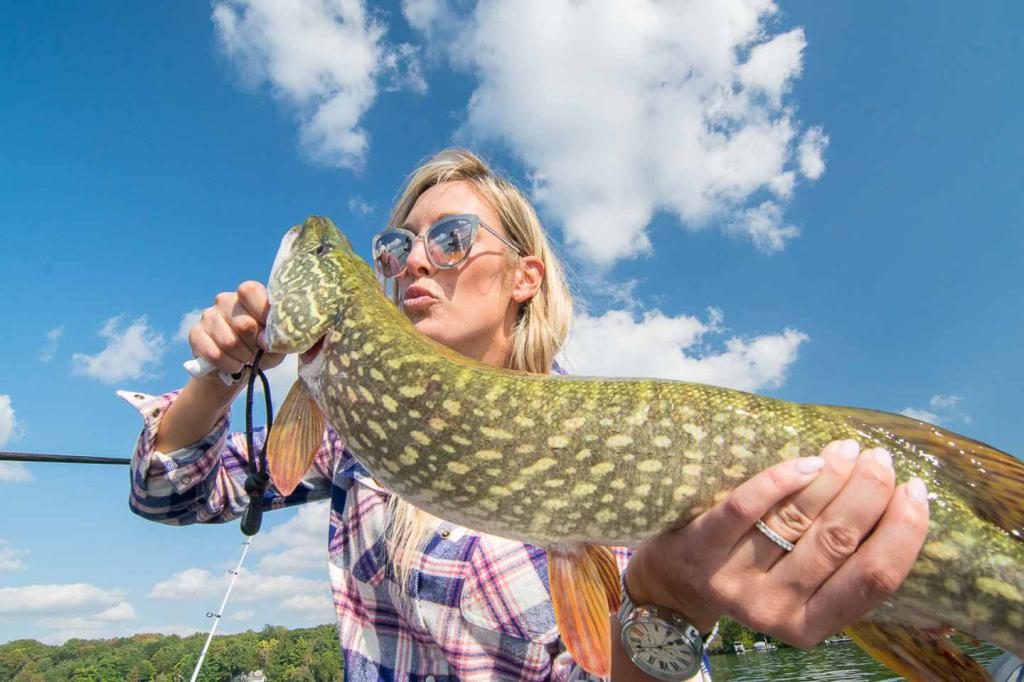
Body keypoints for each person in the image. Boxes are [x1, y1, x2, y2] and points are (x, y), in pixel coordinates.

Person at [126, 148, 930, 681]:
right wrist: (223, 376)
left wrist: (667, 607)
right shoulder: (349, 425)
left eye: (449, 237)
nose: (413, 264)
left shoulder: (608, 439)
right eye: (394, 248)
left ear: (524, 278)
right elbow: (174, 495)